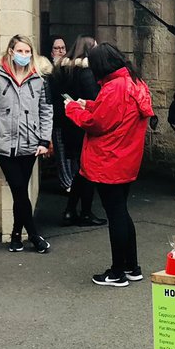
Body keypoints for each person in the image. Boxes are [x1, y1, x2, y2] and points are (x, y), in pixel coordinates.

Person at [65, 43, 154, 288]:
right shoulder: (134, 82)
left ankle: (116, 272)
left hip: (108, 160)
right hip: (126, 158)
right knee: (121, 212)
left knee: (115, 214)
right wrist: (89, 103)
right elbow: (115, 114)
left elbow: (96, 124)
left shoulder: (113, 88)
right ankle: (131, 266)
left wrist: (72, 108)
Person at [0, 34, 53, 254]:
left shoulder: (40, 78)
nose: (24, 55)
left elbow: (46, 111)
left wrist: (44, 140)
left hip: (30, 143)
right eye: (20, 51)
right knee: (19, 189)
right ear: (11, 52)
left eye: (27, 51)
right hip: (4, 142)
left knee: (20, 191)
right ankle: (33, 235)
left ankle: (15, 236)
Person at [53, 36, 106, 227]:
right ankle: (84, 212)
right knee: (87, 172)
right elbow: (95, 99)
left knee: (80, 172)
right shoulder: (86, 73)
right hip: (83, 126)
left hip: (68, 125)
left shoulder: (61, 70)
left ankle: (70, 210)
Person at [46, 37, 72, 194]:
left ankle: (72, 183)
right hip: (56, 119)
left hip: (71, 118)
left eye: (63, 47)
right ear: (51, 52)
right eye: (57, 48)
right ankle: (66, 183)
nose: (61, 51)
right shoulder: (48, 73)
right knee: (61, 152)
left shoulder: (70, 70)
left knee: (70, 153)